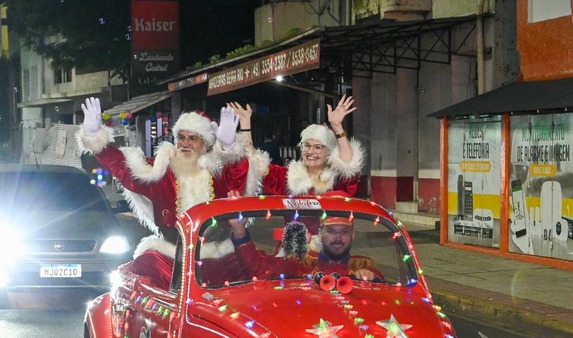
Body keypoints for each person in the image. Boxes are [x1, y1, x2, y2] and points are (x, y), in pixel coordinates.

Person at [77, 97, 265, 263]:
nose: (185, 143)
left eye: (193, 138)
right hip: (172, 258)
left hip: (220, 257)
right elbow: (124, 168)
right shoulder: (161, 171)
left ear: (206, 144)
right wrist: (95, 137)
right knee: (143, 268)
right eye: (181, 137)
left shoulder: (218, 172)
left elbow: (239, 174)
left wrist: (229, 146)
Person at [229, 96, 365, 198]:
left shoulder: (337, 180)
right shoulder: (288, 177)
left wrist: (337, 127)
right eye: (307, 146)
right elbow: (255, 163)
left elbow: (349, 166)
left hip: (330, 236)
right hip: (294, 236)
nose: (310, 151)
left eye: (318, 147)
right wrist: (245, 124)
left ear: (328, 152)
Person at [229, 216, 382, 282]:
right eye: (331, 231)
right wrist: (240, 231)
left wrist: (370, 277)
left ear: (353, 235)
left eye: (344, 232)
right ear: (320, 233)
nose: (338, 238)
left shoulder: (364, 265)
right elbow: (260, 269)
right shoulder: (302, 262)